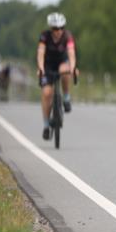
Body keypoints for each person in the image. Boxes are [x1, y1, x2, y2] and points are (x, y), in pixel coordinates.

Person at [36, 12, 78, 140]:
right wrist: (41, 68)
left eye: (61, 28)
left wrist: (73, 68)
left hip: (62, 62)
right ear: (51, 28)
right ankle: (46, 125)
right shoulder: (44, 36)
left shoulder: (67, 36)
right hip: (48, 65)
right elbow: (41, 53)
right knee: (47, 93)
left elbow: (71, 53)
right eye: (55, 28)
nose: (58, 31)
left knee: (65, 71)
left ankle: (66, 97)